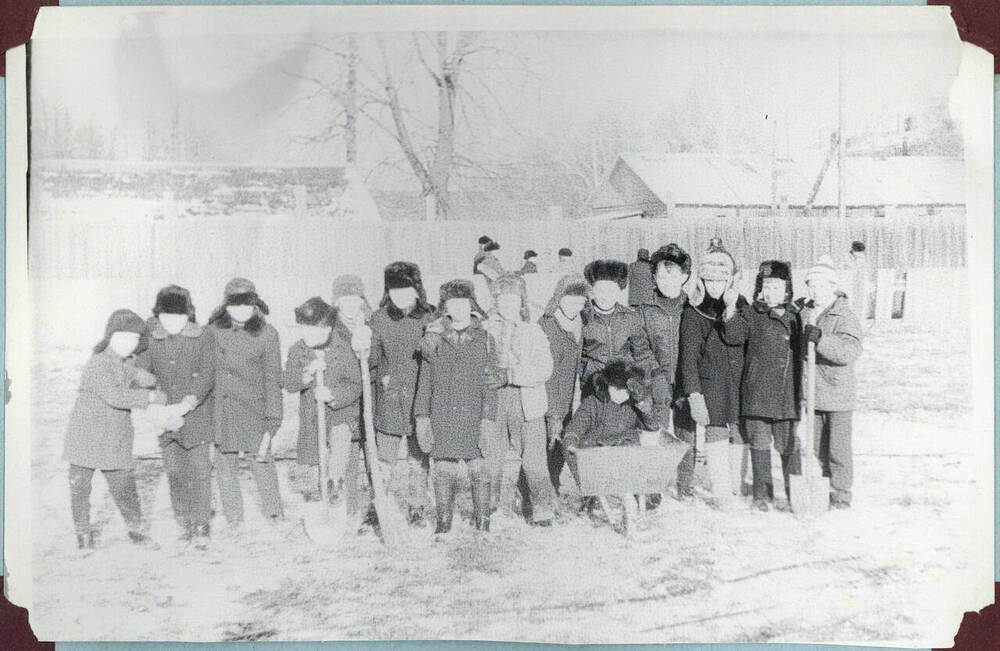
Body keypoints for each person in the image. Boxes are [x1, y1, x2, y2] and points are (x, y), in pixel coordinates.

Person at [64, 309, 163, 549]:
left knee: (125, 488)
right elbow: (115, 397)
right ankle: (83, 536)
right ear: (110, 337)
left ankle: (137, 531)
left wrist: (159, 379)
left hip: (115, 439)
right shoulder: (98, 363)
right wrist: (149, 397)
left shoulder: (124, 363)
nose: (129, 344)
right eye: (123, 338)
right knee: (80, 489)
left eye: (134, 339)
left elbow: (141, 376)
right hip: (85, 437)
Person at [414, 279, 501, 534]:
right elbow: (425, 383)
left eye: (464, 303)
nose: (459, 308)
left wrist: (487, 420)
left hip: (475, 416)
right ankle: (443, 525)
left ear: (472, 305)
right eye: (453, 303)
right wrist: (422, 418)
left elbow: (491, 384)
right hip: (443, 415)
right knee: (443, 469)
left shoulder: (485, 339)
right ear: (445, 308)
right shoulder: (433, 340)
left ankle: (483, 524)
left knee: (480, 469)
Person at [135, 285, 216, 547]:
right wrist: (156, 402)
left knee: (200, 470)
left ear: (188, 316)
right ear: (158, 316)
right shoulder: (150, 336)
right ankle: (184, 521)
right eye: (166, 317)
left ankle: (202, 526)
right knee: (174, 471)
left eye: (179, 317)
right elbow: (141, 371)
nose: (172, 322)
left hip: (196, 415)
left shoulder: (202, 336)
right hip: (165, 418)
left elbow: (207, 373)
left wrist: (188, 403)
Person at [721, 261, 802, 511]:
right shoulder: (752, 314)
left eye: (776, 286)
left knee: (788, 445)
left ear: (786, 288)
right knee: (759, 444)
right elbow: (733, 335)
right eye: (766, 286)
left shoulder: (796, 315)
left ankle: (796, 496)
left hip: (787, 395)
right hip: (757, 393)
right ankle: (761, 496)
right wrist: (730, 307)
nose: (770, 291)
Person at [675, 241, 747, 508]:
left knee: (739, 432)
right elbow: (689, 358)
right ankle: (721, 489)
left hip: (738, 382)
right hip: (711, 386)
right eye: (710, 281)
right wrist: (694, 394)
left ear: (730, 280)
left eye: (721, 280)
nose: (716, 286)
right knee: (716, 433)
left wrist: (730, 310)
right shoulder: (693, 313)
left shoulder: (740, 306)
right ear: (702, 281)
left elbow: (739, 336)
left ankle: (736, 483)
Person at [481, 274, 555, 526]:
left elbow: (545, 368)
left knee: (534, 460)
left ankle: (542, 509)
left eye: (513, 300)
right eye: (503, 300)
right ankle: (487, 507)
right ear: (496, 302)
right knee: (490, 457)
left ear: (521, 302)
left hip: (527, 401)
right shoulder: (484, 328)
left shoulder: (533, 330)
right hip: (493, 401)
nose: (508, 306)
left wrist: (512, 374)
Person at [208, 277, 284, 525]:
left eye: (246, 305)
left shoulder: (267, 334)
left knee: (261, 461)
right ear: (225, 306)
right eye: (234, 304)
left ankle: (274, 513)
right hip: (222, 409)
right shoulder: (211, 332)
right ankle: (234, 518)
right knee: (225, 466)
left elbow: (273, 379)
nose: (240, 310)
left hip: (254, 411)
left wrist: (272, 419)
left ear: (255, 306)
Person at [368, 261, 437, 525]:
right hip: (390, 399)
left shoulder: (430, 318)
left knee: (417, 459)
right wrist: (365, 348)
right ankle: (378, 509)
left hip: (420, 400)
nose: (400, 296)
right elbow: (373, 359)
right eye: (394, 290)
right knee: (384, 459)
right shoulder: (379, 319)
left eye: (406, 289)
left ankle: (417, 508)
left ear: (417, 290)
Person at [281, 296, 362, 508]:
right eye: (302, 329)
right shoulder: (297, 350)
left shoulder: (344, 350)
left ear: (326, 329)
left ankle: (336, 484)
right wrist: (307, 373)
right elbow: (289, 383)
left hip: (339, 413)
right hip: (312, 415)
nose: (305, 335)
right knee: (313, 458)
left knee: (339, 443)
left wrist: (333, 394)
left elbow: (355, 385)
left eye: (311, 330)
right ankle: (317, 495)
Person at [799, 255, 863, 509]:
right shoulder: (807, 312)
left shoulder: (843, 314)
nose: (816, 290)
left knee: (837, 449)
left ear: (833, 286)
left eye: (821, 285)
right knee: (817, 447)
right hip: (813, 393)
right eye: (811, 285)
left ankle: (841, 494)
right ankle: (824, 487)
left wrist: (821, 340)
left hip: (837, 394)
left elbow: (850, 350)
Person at [326, 275, 376, 525]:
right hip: (344, 404)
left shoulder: (370, 323)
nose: (350, 305)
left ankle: (373, 512)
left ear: (361, 300)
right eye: (344, 300)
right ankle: (348, 512)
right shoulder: (331, 330)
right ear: (337, 302)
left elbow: (378, 360)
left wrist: (369, 347)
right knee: (344, 459)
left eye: (354, 299)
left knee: (371, 460)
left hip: (369, 403)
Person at [538, 274, 590, 493]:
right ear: (559, 298)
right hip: (549, 396)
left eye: (580, 302)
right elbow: (546, 373)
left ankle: (554, 481)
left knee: (561, 442)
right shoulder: (547, 325)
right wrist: (553, 413)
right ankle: (539, 487)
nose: (575, 307)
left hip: (569, 395)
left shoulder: (582, 322)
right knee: (546, 443)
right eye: (570, 301)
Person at [638, 243, 691, 429]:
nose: (666, 281)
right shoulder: (643, 311)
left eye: (673, 275)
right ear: (654, 278)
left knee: (686, 443)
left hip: (685, 385)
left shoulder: (692, 308)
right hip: (654, 384)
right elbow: (640, 348)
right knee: (656, 440)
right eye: (661, 276)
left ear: (684, 277)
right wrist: (655, 375)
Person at [580, 259, 656, 389]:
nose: (605, 296)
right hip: (592, 384)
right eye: (600, 290)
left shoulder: (630, 318)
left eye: (611, 290)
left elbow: (642, 354)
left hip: (623, 384)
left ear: (620, 290)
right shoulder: (582, 317)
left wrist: (653, 380)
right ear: (591, 290)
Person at [561, 359, 659, 451]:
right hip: (598, 454)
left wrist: (642, 403)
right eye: (616, 389)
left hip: (626, 454)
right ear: (607, 385)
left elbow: (652, 427)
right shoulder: (593, 403)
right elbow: (575, 428)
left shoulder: (633, 404)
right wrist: (571, 443)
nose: (621, 394)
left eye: (626, 391)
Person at [848, 241, 872, 324]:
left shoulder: (858, 260)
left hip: (859, 284)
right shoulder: (862, 258)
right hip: (861, 284)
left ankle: (858, 321)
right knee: (861, 303)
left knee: (858, 303)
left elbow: (853, 271)